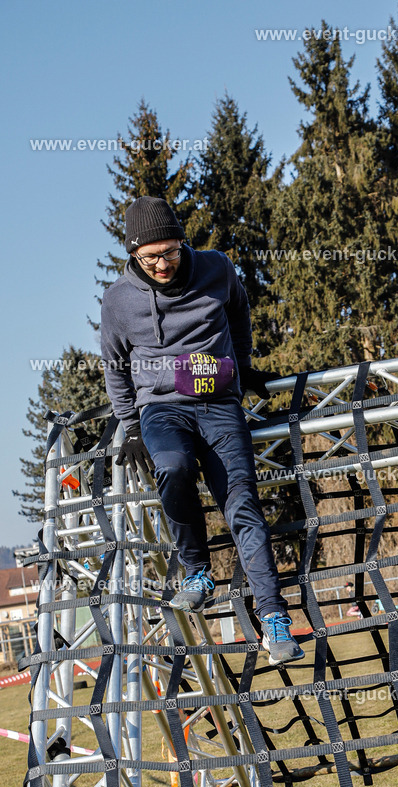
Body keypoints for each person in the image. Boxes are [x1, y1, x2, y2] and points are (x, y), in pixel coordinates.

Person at [100, 196, 303, 666]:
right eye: (151, 257)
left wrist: (244, 364)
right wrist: (130, 426)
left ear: (182, 243)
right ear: (133, 254)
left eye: (171, 252)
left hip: (217, 402)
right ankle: (197, 571)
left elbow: (239, 312)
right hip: (162, 408)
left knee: (242, 503)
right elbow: (114, 364)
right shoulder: (118, 300)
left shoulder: (216, 268)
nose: (163, 264)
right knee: (172, 467)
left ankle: (274, 619)